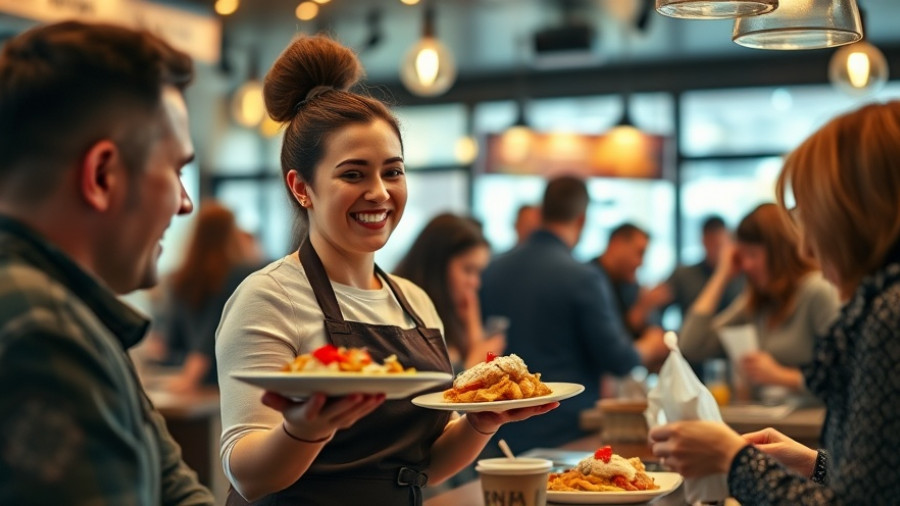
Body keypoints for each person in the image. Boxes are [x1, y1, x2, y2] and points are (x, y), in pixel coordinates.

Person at [215, 35, 555, 506]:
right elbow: (247, 473)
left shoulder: (414, 302)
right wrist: (304, 429)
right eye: (353, 174)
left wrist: (481, 421)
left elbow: (422, 467)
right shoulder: (270, 296)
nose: (379, 192)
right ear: (302, 188)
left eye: (392, 172)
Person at [0, 21, 213, 504]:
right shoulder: (45, 330)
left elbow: (173, 489)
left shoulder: (74, 313)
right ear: (102, 175)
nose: (186, 203)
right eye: (177, 170)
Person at [650, 101, 900, 504]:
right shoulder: (880, 302)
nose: (806, 245)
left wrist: (733, 459)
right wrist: (815, 463)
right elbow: (880, 482)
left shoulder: (887, 313)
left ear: (857, 215)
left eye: (813, 218)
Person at [479, 176, 669, 454]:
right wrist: (649, 346)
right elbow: (618, 359)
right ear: (581, 219)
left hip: (494, 433)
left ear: (541, 212)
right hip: (564, 433)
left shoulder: (492, 270)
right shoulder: (583, 277)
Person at [678, 203, 840, 399]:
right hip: (771, 421)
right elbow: (691, 345)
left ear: (780, 253)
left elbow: (844, 375)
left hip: (811, 425)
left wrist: (781, 376)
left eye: (753, 255)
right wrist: (721, 275)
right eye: (742, 255)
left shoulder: (817, 291)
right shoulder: (758, 301)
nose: (745, 265)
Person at [160, 201, 263, 392]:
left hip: (196, 380)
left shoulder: (180, 279)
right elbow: (214, 332)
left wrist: (187, 378)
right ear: (231, 233)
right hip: (232, 383)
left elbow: (174, 342)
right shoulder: (238, 275)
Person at [394, 212, 505, 372]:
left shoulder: (451, 312)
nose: (475, 283)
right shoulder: (402, 313)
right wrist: (475, 363)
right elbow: (435, 390)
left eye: (479, 272)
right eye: (468, 270)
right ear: (436, 266)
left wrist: (472, 331)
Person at [660, 215, 745, 321]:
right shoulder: (684, 275)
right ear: (703, 241)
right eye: (712, 243)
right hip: (695, 335)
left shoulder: (742, 276)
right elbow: (657, 306)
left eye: (720, 244)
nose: (717, 251)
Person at [588, 223, 660, 338]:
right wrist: (641, 308)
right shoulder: (588, 281)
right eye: (639, 253)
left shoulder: (630, 285)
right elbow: (604, 339)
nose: (641, 263)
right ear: (616, 244)